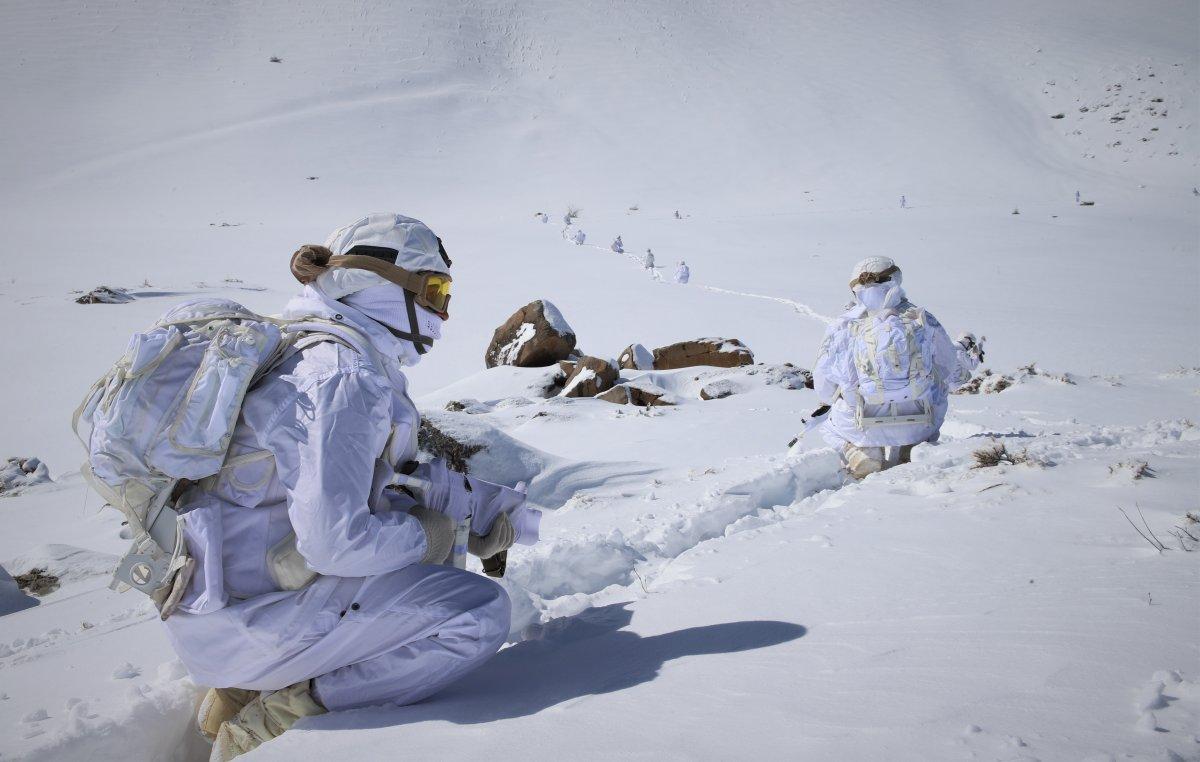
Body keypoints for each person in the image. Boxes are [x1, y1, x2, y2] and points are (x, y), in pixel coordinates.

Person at [167, 214, 514, 760]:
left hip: (228, 611)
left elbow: (377, 485)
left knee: (421, 560)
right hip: (254, 624)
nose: (444, 312)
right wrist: (432, 536)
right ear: (375, 283)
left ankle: (239, 692)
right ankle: (273, 721)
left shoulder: (306, 352)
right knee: (476, 614)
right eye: (435, 290)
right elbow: (336, 543)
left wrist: (475, 513)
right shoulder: (341, 377)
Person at [812, 257, 968, 480]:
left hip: (861, 425)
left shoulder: (844, 324)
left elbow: (824, 389)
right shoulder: (921, 317)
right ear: (896, 279)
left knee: (828, 426)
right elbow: (949, 368)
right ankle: (913, 447)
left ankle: (860, 452)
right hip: (921, 418)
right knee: (937, 391)